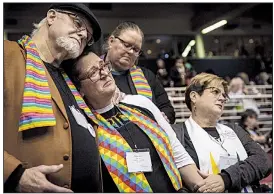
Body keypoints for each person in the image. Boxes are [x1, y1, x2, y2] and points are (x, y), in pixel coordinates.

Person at [66, 50, 205, 192]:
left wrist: (202, 187)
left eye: (103, 66)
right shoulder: (84, 129)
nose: (104, 73)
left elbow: (176, 151)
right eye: (93, 72)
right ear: (79, 88)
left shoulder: (140, 104)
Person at [4, 3, 108, 193]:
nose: (84, 35)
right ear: (51, 17)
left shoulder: (68, 78)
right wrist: (13, 174)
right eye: (78, 23)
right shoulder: (7, 54)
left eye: (89, 36)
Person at [177, 73, 272, 192]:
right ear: (194, 96)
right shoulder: (178, 133)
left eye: (224, 95)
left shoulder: (234, 129)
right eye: (215, 92)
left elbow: (263, 161)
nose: (222, 98)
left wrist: (226, 179)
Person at [102, 21, 176, 124]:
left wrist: (163, 117)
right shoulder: (93, 73)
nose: (131, 52)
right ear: (111, 41)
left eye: (136, 49)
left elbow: (167, 108)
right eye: (127, 45)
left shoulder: (147, 76)